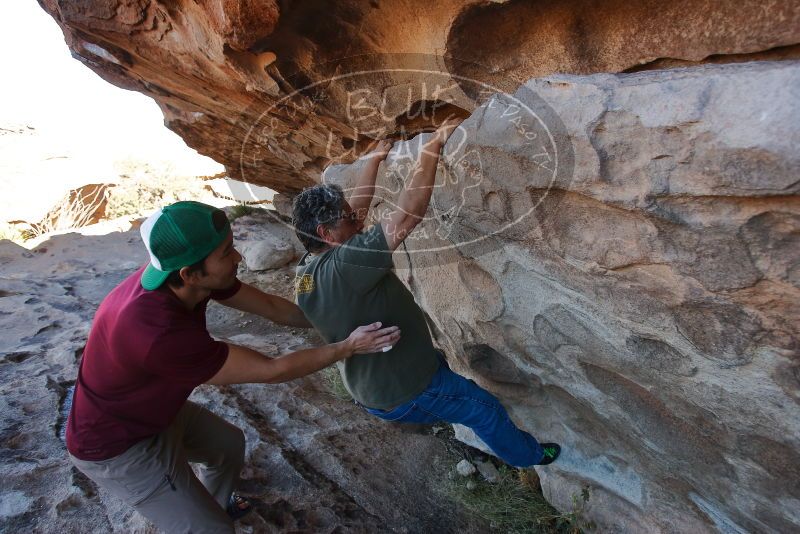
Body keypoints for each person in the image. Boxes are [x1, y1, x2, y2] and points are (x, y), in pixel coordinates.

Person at [66, 201, 400, 534]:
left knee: (226, 446)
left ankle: (216, 502)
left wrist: (333, 321)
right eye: (227, 252)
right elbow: (272, 370)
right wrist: (347, 347)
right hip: (120, 448)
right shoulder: (156, 333)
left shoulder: (183, 276)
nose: (238, 257)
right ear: (190, 274)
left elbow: (270, 307)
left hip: (153, 414)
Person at [292, 119, 561, 469]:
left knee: (445, 375)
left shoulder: (307, 270)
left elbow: (354, 211)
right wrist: (432, 147)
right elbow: (407, 215)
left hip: (378, 381)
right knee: (484, 410)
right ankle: (530, 457)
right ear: (327, 233)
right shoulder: (347, 265)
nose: (360, 222)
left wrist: (374, 160)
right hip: (406, 388)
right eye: (349, 221)